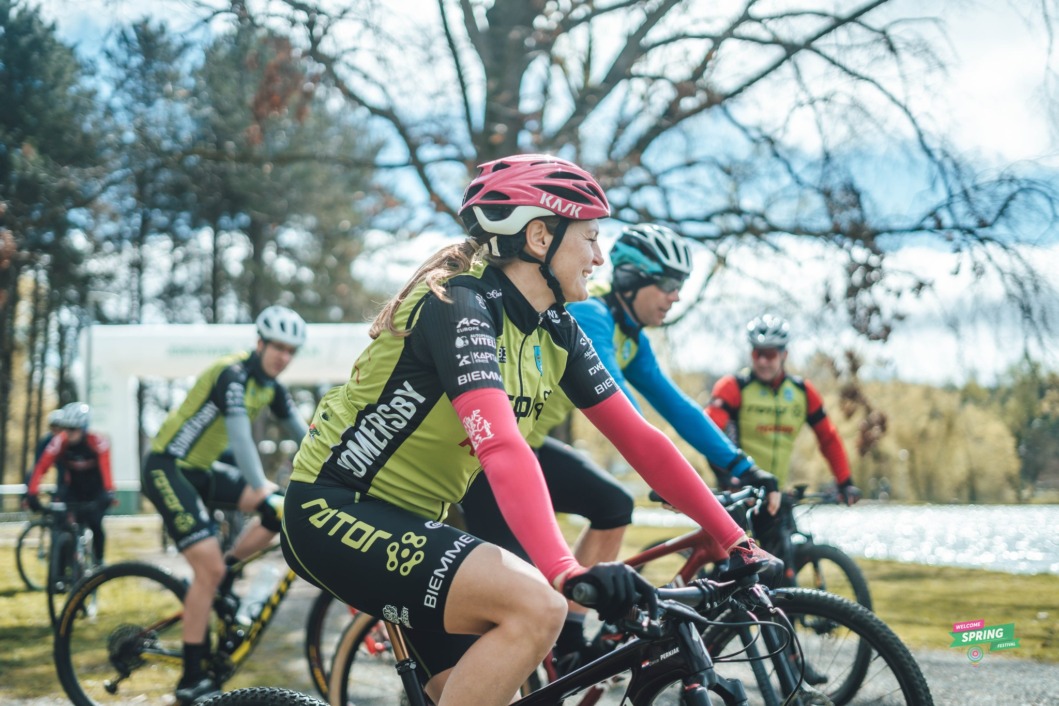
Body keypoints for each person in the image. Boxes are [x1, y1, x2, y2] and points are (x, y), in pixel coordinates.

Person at [281, 153, 780, 706]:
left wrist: (737, 541)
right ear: (540, 237)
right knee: (539, 607)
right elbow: (499, 445)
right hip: (335, 509)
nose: (599, 257)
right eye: (590, 237)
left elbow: (641, 440)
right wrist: (564, 572)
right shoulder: (458, 304)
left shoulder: (555, 328)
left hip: (417, 520)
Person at [460, 223, 782, 672]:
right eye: (667, 284)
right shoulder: (589, 315)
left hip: (529, 446)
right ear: (631, 280)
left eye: (681, 286)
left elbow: (677, 406)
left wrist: (741, 465)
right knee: (522, 591)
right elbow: (625, 416)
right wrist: (664, 477)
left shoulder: (630, 338)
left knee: (613, 504)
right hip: (484, 456)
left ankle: (570, 637)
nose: (675, 296)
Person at [141, 305, 309, 705]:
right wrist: (260, 485)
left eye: (291, 351)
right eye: (278, 347)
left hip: (202, 470)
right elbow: (241, 437)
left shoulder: (271, 387)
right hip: (168, 466)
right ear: (260, 343)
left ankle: (228, 573)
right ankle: (191, 678)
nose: (283, 357)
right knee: (209, 568)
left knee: (278, 510)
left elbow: (305, 436)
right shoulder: (231, 373)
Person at [706, 313, 862, 583]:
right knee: (732, 577)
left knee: (780, 574)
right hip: (739, 492)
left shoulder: (802, 392)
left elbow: (828, 437)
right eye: (757, 354)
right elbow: (708, 435)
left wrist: (845, 482)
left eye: (770, 354)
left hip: (776, 495)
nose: (763, 361)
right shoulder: (733, 387)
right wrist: (729, 480)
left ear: (784, 354)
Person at [25, 402, 115, 565]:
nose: (69, 433)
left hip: (95, 490)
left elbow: (106, 468)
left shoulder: (97, 442)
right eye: (66, 428)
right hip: (73, 489)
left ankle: (99, 562)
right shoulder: (60, 442)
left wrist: (109, 492)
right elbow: (41, 467)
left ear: (84, 428)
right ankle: (61, 568)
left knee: (95, 523)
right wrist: (32, 493)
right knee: (63, 525)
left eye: (73, 429)